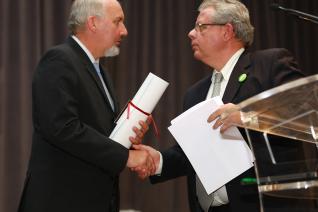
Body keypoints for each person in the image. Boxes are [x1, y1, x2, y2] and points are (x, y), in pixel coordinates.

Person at [134, 0, 316, 211]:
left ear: (227, 31)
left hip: (266, 205)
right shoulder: (194, 94)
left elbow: (306, 112)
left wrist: (248, 116)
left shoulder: (270, 65)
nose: (191, 33)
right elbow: (194, 155)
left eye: (200, 26)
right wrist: (158, 161)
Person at [18, 0, 155, 212]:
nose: (125, 31)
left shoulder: (101, 71)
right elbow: (62, 128)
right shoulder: (59, 60)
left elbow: (97, 131)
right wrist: (126, 157)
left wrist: (127, 135)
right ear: (93, 23)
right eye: (118, 21)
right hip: (61, 201)